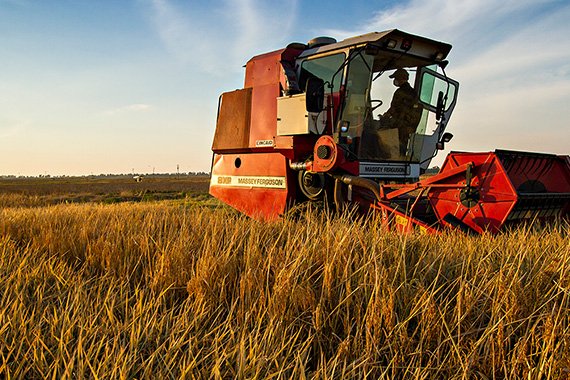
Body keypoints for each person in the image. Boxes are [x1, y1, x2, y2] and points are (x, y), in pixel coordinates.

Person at [380, 68, 422, 156]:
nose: (395, 80)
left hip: (398, 125)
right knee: (402, 148)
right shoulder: (413, 93)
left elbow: (393, 108)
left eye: (396, 78)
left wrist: (385, 116)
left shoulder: (400, 92)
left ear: (400, 78)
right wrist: (412, 126)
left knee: (392, 147)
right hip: (407, 126)